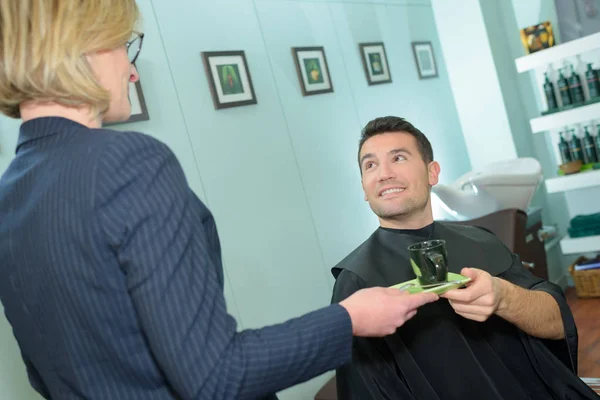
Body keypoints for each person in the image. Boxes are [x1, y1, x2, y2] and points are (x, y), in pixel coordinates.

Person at [0, 3, 440, 400]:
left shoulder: (10, 195)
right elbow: (216, 378)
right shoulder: (129, 163)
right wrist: (349, 320)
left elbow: (47, 373)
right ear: (87, 46)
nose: (133, 72)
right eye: (123, 47)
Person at [331, 116, 600, 399]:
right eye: (370, 164)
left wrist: (505, 297)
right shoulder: (356, 281)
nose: (384, 173)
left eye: (398, 158)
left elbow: (557, 324)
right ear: (364, 186)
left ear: (432, 172)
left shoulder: (481, 241)